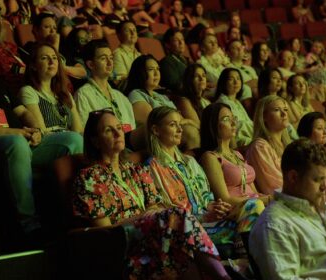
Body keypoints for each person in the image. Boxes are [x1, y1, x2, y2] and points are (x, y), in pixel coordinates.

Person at [73, 109, 232, 280]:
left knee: (180, 229)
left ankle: (223, 274)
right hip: (125, 243)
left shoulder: (134, 169)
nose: (118, 133)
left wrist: (152, 217)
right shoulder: (90, 178)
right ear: (96, 141)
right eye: (108, 130)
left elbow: (156, 205)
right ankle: (224, 276)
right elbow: (104, 230)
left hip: (155, 235)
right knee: (179, 217)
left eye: (119, 127)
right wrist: (142, 218)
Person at [0, 33, 81, 233]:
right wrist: (10, 132)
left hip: (21, 140)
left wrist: (35, 130)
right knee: (15, 143)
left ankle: (75, 213)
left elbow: (24, 112)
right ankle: (29, 223)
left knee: (73, 140)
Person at [249, 138, 326, 279]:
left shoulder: (324, 208)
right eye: (318, 180)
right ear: (293, 177)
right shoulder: (273, 224)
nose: (325, 187)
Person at [146, 106, 254, 263]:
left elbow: (206, 196)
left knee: (253, 209)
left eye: (180, 125)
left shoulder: (190, 161)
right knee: (248, 227)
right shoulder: (152, 166)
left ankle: (248, 263)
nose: (179, 129)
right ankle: (248, 263)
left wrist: (214, 207)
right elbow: (165, 209)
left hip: (210, 219)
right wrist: (204, 215)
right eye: (172, 125)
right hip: (189, 227)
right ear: (156, 130)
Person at [200, 103, 268, 232]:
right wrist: (266, 199)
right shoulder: (211, 157)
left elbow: (254, 191)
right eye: (226, 119)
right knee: (257, 205)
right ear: (213, 125)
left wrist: (268, 199)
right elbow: (224, 199)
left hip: (254, 203)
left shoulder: (237, 154)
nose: (233, 122)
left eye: (233, 118)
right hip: (233, 211)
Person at [19, 43, 84, 138]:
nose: (51, 62)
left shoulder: (65, 93)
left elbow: (78, 129)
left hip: (72, 141)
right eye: (44, 58)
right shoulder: (28, 91)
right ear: (33, 66)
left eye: (54, 58)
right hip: (49, 143)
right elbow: (41, 132)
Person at [246, 95, 292, 194]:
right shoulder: (259, 147)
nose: (284, 114)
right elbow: (274, 185)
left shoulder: (289, 145)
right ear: (264, 117)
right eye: (277, 110)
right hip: (283, 200)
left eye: (285, 109)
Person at [214, 68, 254, 147]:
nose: (236, 82)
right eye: (231, 79)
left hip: (246, 135)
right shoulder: (222, 101)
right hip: (235, 138)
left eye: (238, 79)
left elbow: (247, 121)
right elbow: (237, 125)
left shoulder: (237, 102)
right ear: (224, 82)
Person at [176, 63, 210, 128]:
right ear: (190, 80)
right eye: (197, 76)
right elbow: (199, 127)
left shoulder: (206, 101)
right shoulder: (184, 101)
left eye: (203, 75)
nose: (201, 78)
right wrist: (190, 122)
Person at [159, 27, 190, 93]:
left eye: (182, 39)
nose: (181, 42)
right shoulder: (166, 62)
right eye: (176, 40)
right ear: (167, 45)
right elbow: (176, 86)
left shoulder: (187, 60)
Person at [112, 20, 140, 87]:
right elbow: (120, 80)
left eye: (134, 30)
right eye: (127, 30)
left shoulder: (139, 55)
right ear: (119, 36)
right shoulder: (117, 54)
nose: (132, 33)